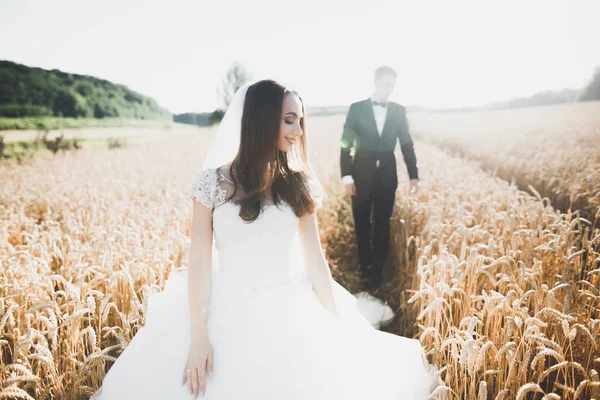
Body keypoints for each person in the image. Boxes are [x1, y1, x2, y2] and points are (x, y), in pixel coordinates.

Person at [91, 80, 438, 399]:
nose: (298, 131)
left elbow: (315, 260)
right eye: (289, 120)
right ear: (261, 120)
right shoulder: (211, 183)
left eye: (300, 121)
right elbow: (198, 260)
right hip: (222, 307)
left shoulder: (298, 183)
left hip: (288, 306)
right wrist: (198, 336)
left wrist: (338, 325)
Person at [340, 66, 419, 294]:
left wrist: (413, 175)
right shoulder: (357, 108)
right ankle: (364, 269)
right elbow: (345, 143)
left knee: (382, 224)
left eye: (393, 85)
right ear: (375, 82)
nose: (390, 89)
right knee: (362, 222)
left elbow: (406, 143)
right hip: (360, 174)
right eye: (386, 84)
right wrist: (346, 175)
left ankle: (377, 273)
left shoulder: (398, 110)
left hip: (387, 175)